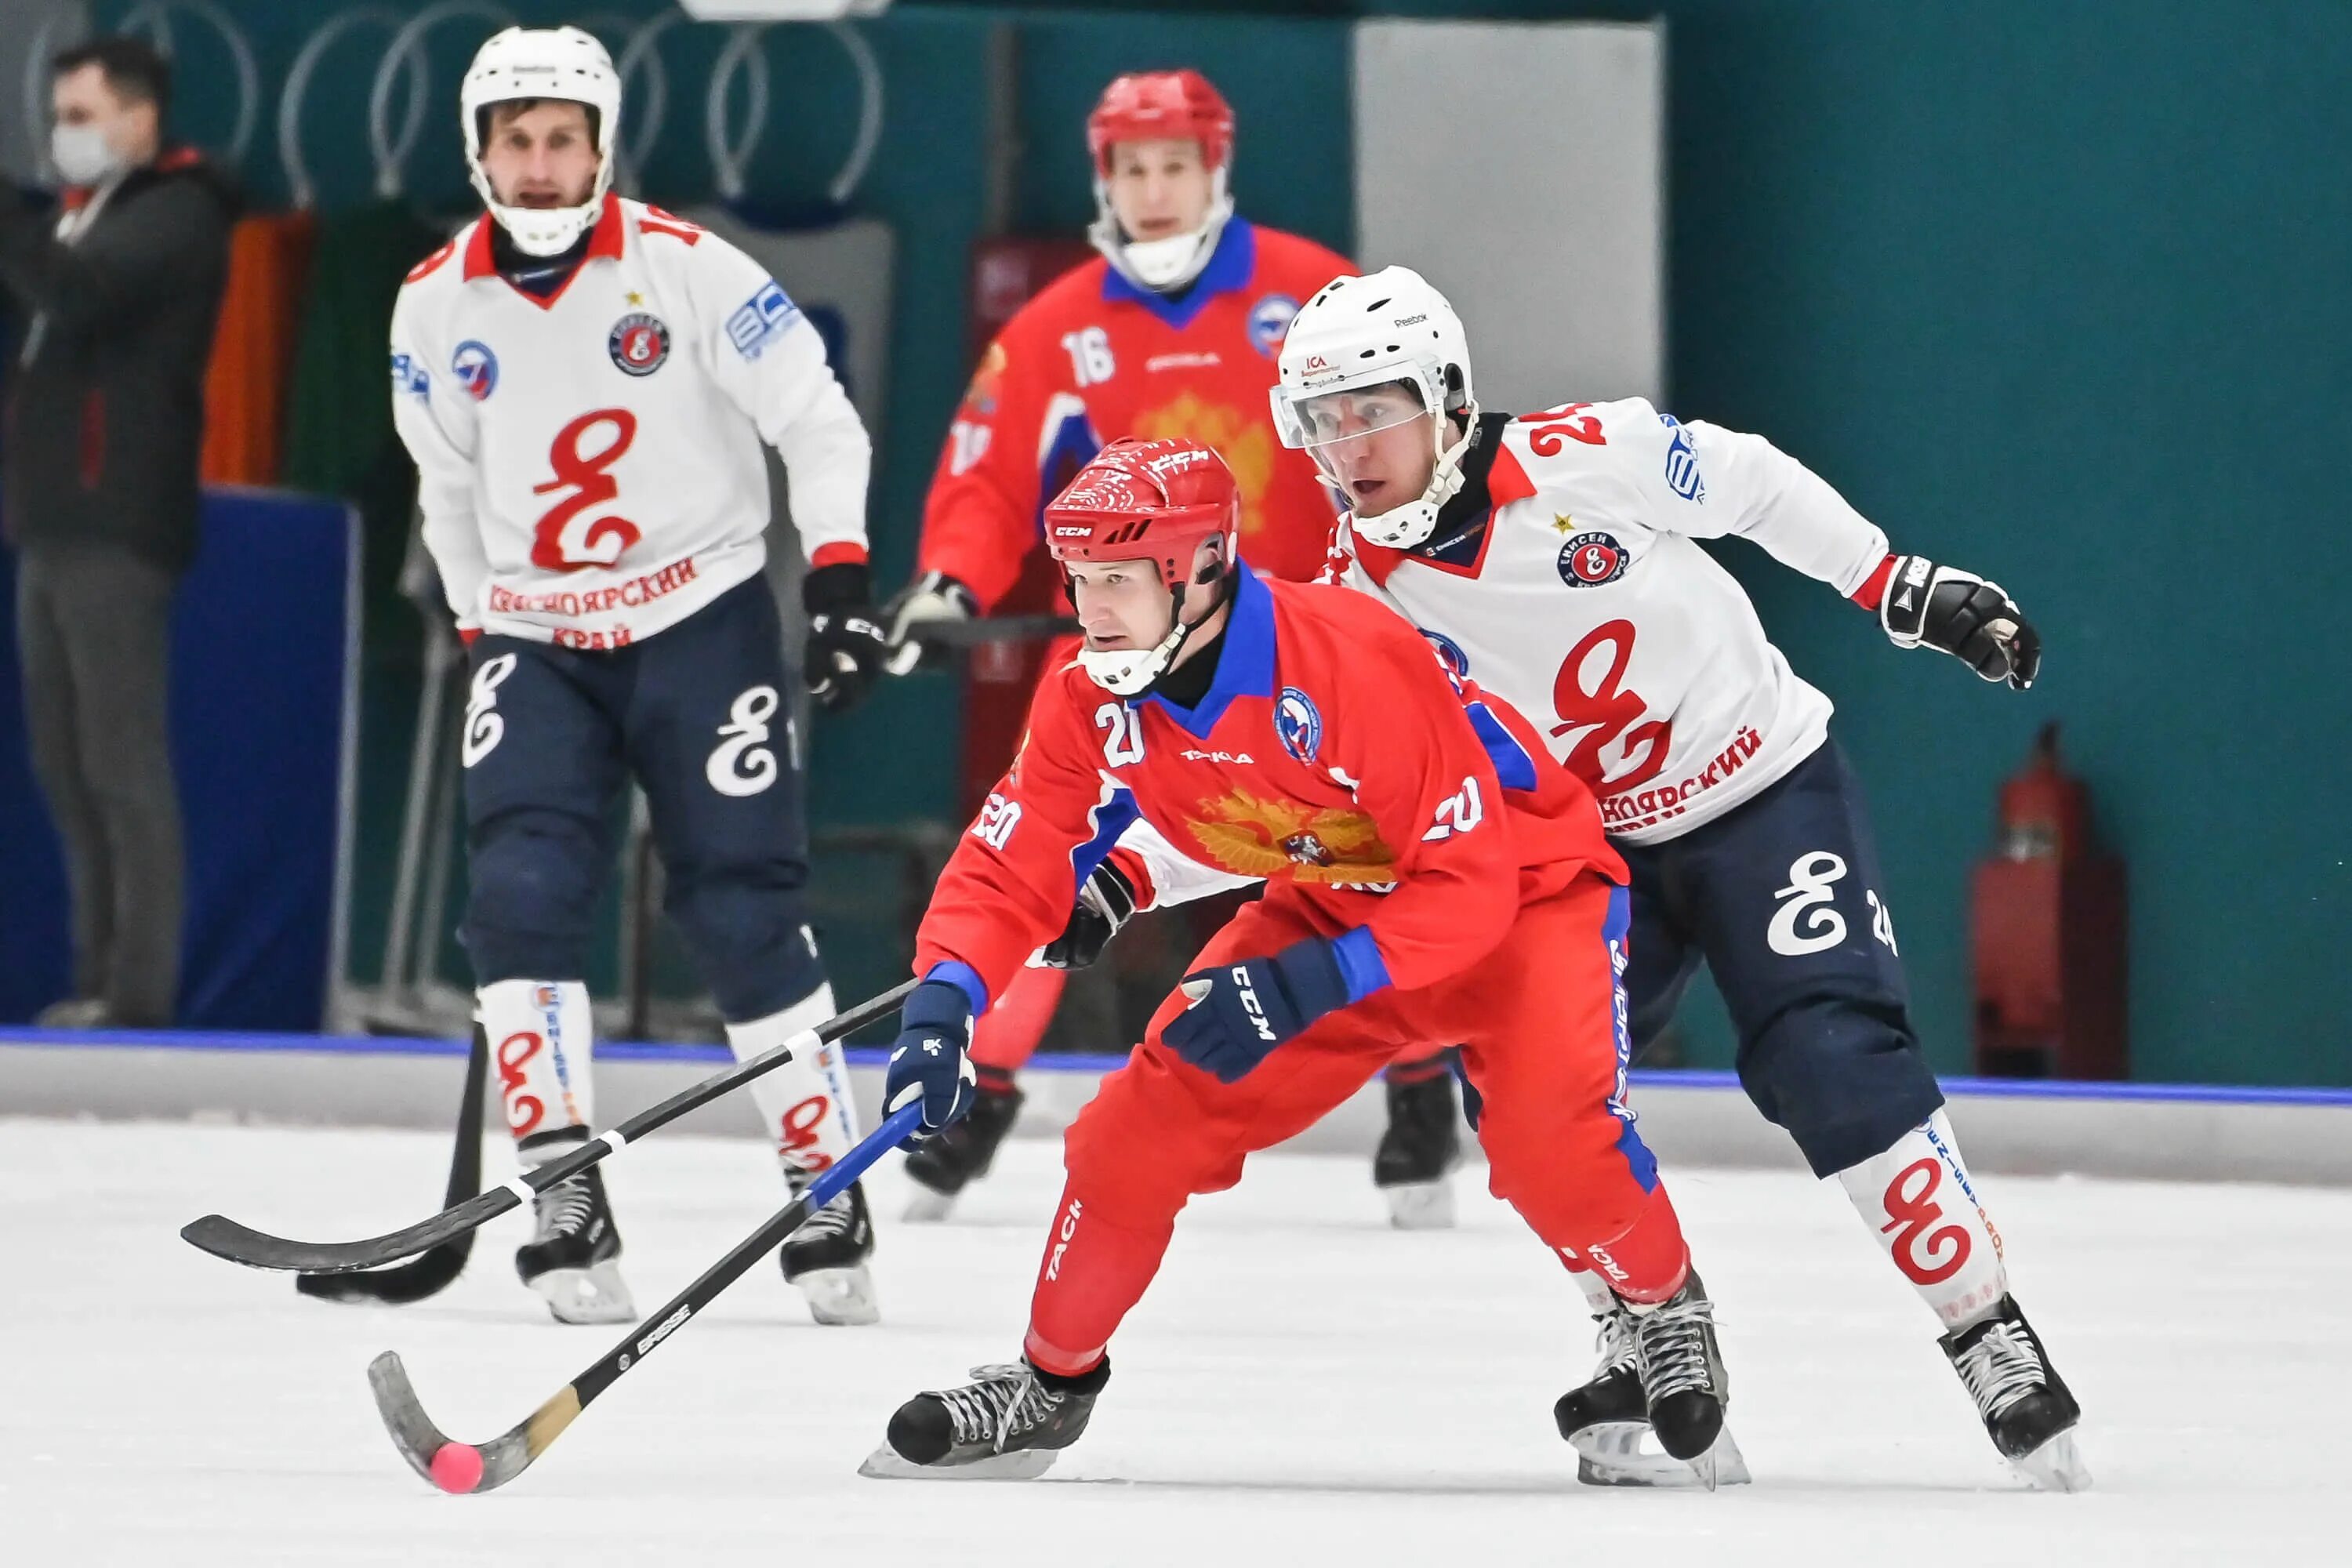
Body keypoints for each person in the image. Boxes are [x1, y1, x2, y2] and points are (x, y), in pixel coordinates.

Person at [1277, 265, 2087, 1490]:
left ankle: (1988, 1330)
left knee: (1830, 1058)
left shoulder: (1583, 452)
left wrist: (1898, 587)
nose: (1350, 447)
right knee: (1531, 1105)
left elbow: (1752, 482)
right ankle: (1643, 1324)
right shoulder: (1348, 601)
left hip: (1758, 790)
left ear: (1446, 397)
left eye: (1372, 408)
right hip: (1584, 858)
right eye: (1323, 422)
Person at [861, 437, 1742, 1488]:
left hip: (1524, 898)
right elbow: (1011, 860)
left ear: (1197, 572)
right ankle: (1048, 1386)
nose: (1092, 609)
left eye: (1119, 580)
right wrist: (943, 1004)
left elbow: (1467, 887)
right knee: (1135, 1132)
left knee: (1554, 1148)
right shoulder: (1090, 693)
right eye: (1081, 579)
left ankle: (1663, 1304)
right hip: (1333, 898)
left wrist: (1302, 987)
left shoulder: (1347, 659)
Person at [882, 69, 1466, 1227]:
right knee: (1058, 857)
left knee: (1383, 854)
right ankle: (980, 1093)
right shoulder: (1060, 321)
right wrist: (950, 579)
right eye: (1131, 169)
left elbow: (1396, 443)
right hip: (1146, 655)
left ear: (1216, 168)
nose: (1153, 192)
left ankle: (1419, 1097)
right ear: (1105, 180)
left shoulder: (1310, 290)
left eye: (1174, 166)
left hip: (1317, 645)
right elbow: (988, 461)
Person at [388, 27, 890, 1327]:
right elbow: (446, 487)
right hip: (541, 641)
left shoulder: (689, 270)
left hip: (701, 620)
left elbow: (815, 418)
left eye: (564, 139)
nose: (542, 165)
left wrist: (835, 580)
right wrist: (483, 616)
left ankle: (825, 1180)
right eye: (517, 140)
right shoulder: (433, 305)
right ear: (479, 150)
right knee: (517, 896)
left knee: (739, 908)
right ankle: (562, 1188)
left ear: (602, 147)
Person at [0, 37, 238, 1029]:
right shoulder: (84, 213)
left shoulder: (179, 212)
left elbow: (77, 296)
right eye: (60, 116)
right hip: (53, 518)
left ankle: (138, 993)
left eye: (85, 115)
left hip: (118, 518)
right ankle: (96, 974)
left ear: (141, 120)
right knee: (62, 757)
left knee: (121, 759)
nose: (67, 135)